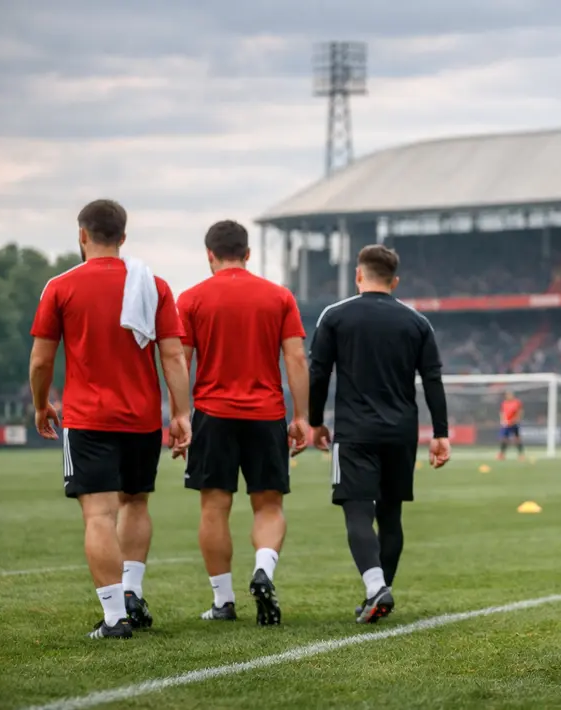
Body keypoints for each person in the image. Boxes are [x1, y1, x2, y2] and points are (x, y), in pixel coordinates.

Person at [29, 198, 192, 639]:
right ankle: (132, 592)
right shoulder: (154, 285)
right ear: (123, 237)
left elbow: (42, 360)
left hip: (87, 419)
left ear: (82, 235)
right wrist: (181, 413)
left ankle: (116, 617)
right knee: (136, 502)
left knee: (98, 515)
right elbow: (173, 356)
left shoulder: (60, 286)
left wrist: (41, 403)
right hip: (141, 417)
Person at [176, 220, 312, 626]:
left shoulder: (192, 298)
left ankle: (223, 601)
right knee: (268, 505)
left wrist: (179, 416)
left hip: (213, 416)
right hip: (267, 414)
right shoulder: (278, 296)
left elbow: (180, 362)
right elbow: (296, 360)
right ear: (248, 254)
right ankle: (264, 572)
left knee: (214, 507)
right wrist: (302, 416)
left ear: (209, 255)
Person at [308, 244, 451, 624]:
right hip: (401, 433)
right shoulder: (417, 321)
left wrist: (314, 419)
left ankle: (375, 589)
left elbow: (319, 372)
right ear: (395, 280)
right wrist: (440, 433)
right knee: (391, 515)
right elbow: (432, 378)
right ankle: (380, 589)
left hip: (355, 432)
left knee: (357, 508)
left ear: (359, 275)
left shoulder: (335, 316)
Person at [497, 391, 524, 460]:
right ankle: (501, 454)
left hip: (514, 423)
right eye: (508, 395)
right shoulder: (504, 403)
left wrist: (517, 419)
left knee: (517, 439)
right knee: (504, 439)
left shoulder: (517, 402)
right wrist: (503, 420)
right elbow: (502, 412)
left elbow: (520, 412)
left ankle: (521, 455)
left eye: (510, 394)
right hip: (506, 424)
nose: (509, 396)